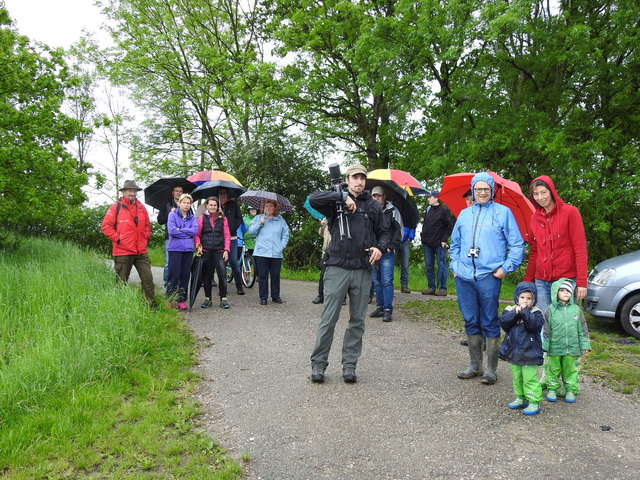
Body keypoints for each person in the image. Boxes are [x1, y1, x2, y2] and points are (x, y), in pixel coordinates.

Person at [308, 164, 391, 384]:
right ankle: (318, 364)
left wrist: (380, 248)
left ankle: (349, 365)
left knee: (357, 320)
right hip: (336, 267)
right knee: (329, 318)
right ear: (347, 179)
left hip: (362, 269)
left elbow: (384, 233)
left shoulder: (373, 206)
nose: (359, 182)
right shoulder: (334, 200)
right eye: (355, 177)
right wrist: (342, 197)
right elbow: (313, 199)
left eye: (363, 178)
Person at [450, 172, 524, 385]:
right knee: (470, 319)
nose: (482, 192)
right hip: (464, 277)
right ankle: (475, 365)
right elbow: (454, 243)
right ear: (472, 191)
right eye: (478, 189)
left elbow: (517, 244)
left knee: (489, 320)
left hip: (489, 275)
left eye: (486, 189)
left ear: (492, 191)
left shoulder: (503, 213)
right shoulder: (464, 214)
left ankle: (491, 370)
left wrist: (506, 268)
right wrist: (455, 265)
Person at [523, 175, 588, 315]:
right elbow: (534, 252)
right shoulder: (534, 218)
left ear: (552, 191)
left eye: (543, 192)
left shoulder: (570, 212)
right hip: (541, 281)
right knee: (544, 322)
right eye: (535, 194)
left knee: (563, 323)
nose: (540, 197)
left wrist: (582, 282)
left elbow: (580, 248)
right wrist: (528, 281)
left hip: (565, 280)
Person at [101, 179, 156, 309]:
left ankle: (150, 307)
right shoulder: (116, 207)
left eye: (134, 190)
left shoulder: (141, 207)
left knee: (148, 280)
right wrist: (119, 239)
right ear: (124, 192)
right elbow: (105, 227)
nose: (132, 193)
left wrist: (146, 236)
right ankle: (119, 308)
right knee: (121, 282)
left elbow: (147, 225)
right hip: (122, 252)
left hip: (141, 251)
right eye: (130, 190)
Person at [498, 282, 544, 415]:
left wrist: (524, 312)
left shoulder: (536, 313)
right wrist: (515, 314)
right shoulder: (510, 310)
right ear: (517, 298)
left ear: (534, 300)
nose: (525, 301)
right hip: (514, 351)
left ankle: (534, 401)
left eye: (529, 298)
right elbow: (504, 323)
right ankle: (520, 397)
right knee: (517, 377)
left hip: (530, 352)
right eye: (522, 297)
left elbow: (534, 326)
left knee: (530, 378)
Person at [543, 279, 591, 403]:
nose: (566, 293)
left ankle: (570, 389)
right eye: (562, 290)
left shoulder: (576, 309)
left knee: (570, 369)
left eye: (568, 291)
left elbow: (583, 328)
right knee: (553, 369)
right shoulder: (550, 309)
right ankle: (552, 389)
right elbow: (546, 328)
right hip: (555, 347)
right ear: (555, 292)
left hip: (572, 348)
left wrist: (585, 344)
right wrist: (545, 345)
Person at [369, 186, 403, 322]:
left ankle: (388, 309)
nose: (376, 198)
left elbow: (399, 232)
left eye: (378, 195)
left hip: (387, 252)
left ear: (384, 197)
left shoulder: (393, 211)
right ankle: (380, 306)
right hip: (373, 252)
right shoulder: (370, 211)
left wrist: (390, 247)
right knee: (376, 281)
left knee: (387, 281)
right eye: (373, 196)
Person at [248, 199, 290, 305]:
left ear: (275, 208)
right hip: (261, 252)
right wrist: (260, 223)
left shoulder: (280, 220)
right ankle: (263, 297)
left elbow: (285, 234)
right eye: (266, 206)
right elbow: (251, 232)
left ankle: (275, 296)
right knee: (263, 275)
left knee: (275, 275)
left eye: (271, 206)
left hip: (276, 253)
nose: (269, 208)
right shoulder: (258, 218)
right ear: (263, 208)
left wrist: (281, 246)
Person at [195, 196, 231, 309]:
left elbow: (227, 235)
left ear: (217, 206)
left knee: (222, 275)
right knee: (207, 276)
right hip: (206, 251)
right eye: (211, 205)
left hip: (219, 251)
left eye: (215, 205)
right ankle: (208, 299)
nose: (213, 207)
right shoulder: (202, 218)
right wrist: (198, 245)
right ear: (206, 206)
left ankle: (223, 299)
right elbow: (197, 234)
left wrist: (226, 250)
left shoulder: (223, 218)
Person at [166, 193, 198, 310]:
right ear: (179, 203)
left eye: (188, 203)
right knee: (174, 275)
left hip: (188, 250)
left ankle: (182, 300)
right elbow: (172, 231)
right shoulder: (172, 215)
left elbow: (194, 231)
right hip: (175, 249)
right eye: (184, 202)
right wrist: (186, 233)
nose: (186, 205)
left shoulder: (192, 217)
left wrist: (181, 230)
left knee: (185, 276)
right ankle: (169, 299)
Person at [420, 190, 454, 296]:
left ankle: (443, 288)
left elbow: (450, 226)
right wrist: (422, 236)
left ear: (436, 198)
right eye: (428, 197)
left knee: (442, 265)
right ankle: (431, 287)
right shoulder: (428, 209)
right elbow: (426, 224)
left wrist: (444, 240)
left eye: (430, 197)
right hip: (427, 243)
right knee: (429, 266)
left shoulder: (444, 210)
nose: (428, 199)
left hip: (439, 243)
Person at [157, 184, 184, 289]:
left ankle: (177, 282)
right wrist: (170, 214)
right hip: (169, 237)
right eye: (176, 191)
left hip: (182, 237)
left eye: (180, 191)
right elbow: (160, 220)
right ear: (173, 192)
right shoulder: (167, 205)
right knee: (168, 262)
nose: (178, 193)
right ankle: (167, 282)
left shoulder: (186, 205)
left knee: (180, 262)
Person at [219, 188, 245, 295]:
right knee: (222, 264)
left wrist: (233, 228)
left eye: (225, 194)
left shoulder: (233, 204)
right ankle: (223, 288)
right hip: (220, 239)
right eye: (221, 194)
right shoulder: (215, 206)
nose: (223, 196)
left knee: (234, 262)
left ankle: (239, 286)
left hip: (232, 238)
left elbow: (239, 219)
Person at [312, 218, 331, 304]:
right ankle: (321, 296)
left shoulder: (340, 220)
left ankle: (342, 298)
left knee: (340, 275)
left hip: (337, 252)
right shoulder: (326, 221)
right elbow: (321, 233)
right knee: (322, 275)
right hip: (326, 252)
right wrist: (323, 225)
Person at [396, 221, 415, 294]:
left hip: (405, 240)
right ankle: (388, 286)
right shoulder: (394, 210)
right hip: (394, 239)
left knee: (405, 264)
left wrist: (410, 237)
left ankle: (404, 285)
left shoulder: (411, 209)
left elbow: (414, 221)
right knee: (390, 263)